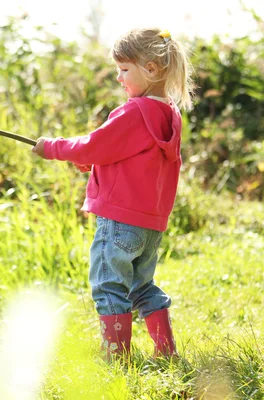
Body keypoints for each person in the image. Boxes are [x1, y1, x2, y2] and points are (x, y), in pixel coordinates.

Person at [32, 28, 194, 360]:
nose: (119, 77)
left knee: (109, 286)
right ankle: (166, 351)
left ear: (150, 69)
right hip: (150, 224)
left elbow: (95, 144)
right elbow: (135, 162)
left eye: (124, 69)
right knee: (141, 287)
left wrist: (53, 147)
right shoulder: (170, 116)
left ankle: (116, 358)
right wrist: (93, 164)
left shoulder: (133, 112)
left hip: (119, 221)